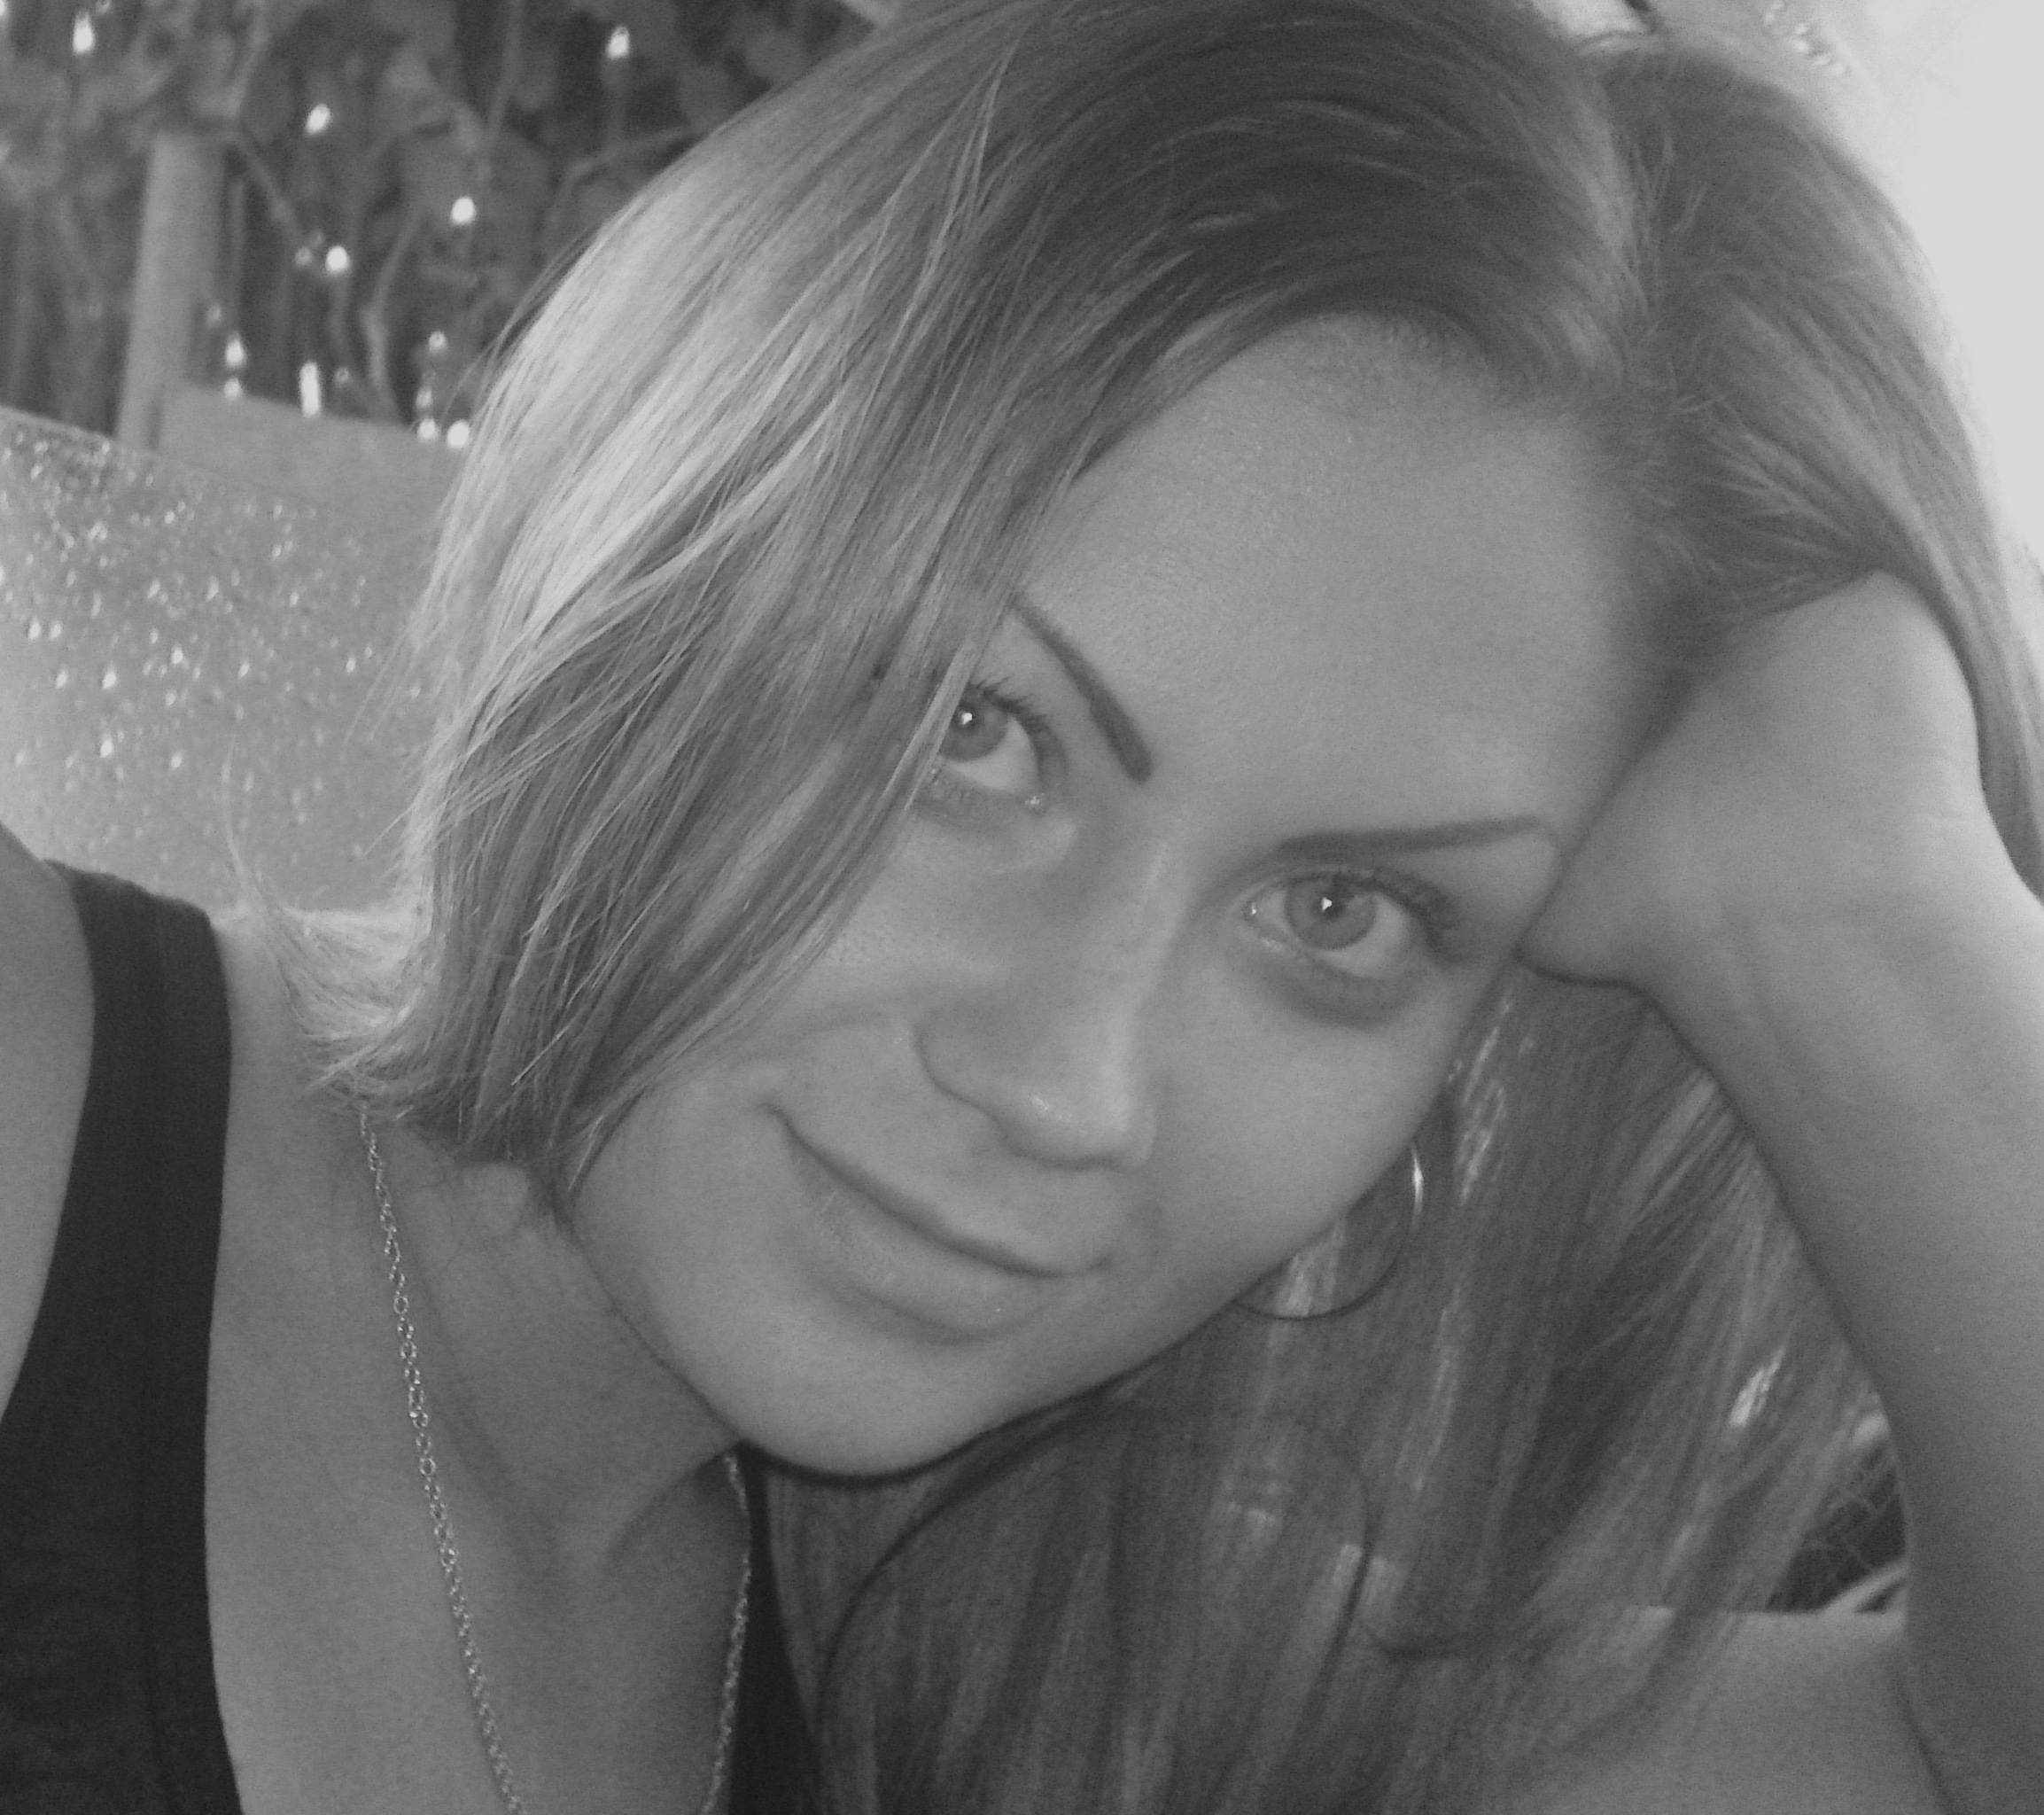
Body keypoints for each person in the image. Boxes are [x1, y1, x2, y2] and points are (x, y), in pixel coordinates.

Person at [2, 0, 2040, 1810]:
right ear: (667, 526)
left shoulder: (1031, 1666)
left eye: (1336, 911)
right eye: (975, 734)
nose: (1067, 1083)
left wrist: (1859, 909)